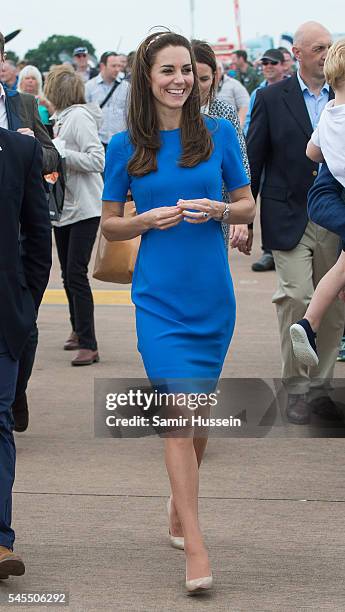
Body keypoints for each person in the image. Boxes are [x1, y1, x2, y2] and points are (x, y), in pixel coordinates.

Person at [101, 30, 255, 594]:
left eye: (186, 70)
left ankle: (177, 505)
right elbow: (110, 222)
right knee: (179, 415)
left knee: (197, 419)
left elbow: (245, 202)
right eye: (167, 71)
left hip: (212, 299)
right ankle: (195, 541)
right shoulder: (125, 146)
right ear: (148, 78)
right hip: (158, 301)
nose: (179, 80)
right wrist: (145, 220)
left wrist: (222, 208)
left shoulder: (219, 133)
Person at [246, 21, 344, 425]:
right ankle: (295, 388)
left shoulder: (339, 97)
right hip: (287, 214)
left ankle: (321, 390)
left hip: (334, 218)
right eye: (318, 46)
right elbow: (255, 156)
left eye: (329, 46)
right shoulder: (270, 98)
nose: (325, 52)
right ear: (298, 54)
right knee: (297, 297)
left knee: (334, 310)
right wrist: (243, 216)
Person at [0, 25, 52, 582]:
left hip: (2, 316)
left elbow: (39, 242)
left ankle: (0, 539)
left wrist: (23, 303)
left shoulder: (18, 148)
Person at [0, 31, 58, 433]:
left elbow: (51, 152)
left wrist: (28, 149)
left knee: (27, 330)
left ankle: (15, 393)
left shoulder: (23, 105)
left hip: (15, 249)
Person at [290, 39, 345, 367]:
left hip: (335, 194)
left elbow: (312, 153)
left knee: (339, 269)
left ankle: (309, 323)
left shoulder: (328, 114)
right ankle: (310, 325)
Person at [44, 65, 104, 365]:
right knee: (68, 274)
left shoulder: (78, 117)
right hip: (66, 208)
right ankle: (78, 331)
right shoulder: (61, 119)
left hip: (84, 208)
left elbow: (97, 159)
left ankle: (89, 344)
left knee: (76, 274)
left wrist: (62, 153)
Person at [191, 39, 251, 252]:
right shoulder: (159, 115)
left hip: (216, 213)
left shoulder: (224, 113)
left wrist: (239, 215)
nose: (197, 86)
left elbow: (240, 163)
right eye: (191, 76)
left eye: (205, 79)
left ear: (215, 77)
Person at [244, 48, 285, 273]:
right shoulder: (258, 93)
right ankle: (269, 250)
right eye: (265, 63)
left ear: (283, 65)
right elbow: (251, 122)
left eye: (273, 63)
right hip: (263, 150)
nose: (268, 66)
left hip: (285, 152)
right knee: (266, 197)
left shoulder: (293, 90)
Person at [85, 51, 130, 149]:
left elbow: (130, 113)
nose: (117, 69)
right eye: (113, 66)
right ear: (102, 66)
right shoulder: (89, 87)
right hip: (96, 142)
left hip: (121, 142)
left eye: (119, 66)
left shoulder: (127, 87)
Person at [17, 64, 54, 132]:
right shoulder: (15, 98)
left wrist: (48, 106)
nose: (30, 81)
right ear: (21, 82)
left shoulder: (45, 98)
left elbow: (56, 118)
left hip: (45, 134)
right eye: (27, 78)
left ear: (38, 82)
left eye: (33, 78)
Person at [216, 61, 249, 126]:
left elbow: (245, 106)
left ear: (219, 69)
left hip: (231, 128)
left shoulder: (234, 84)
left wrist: (238, 128)